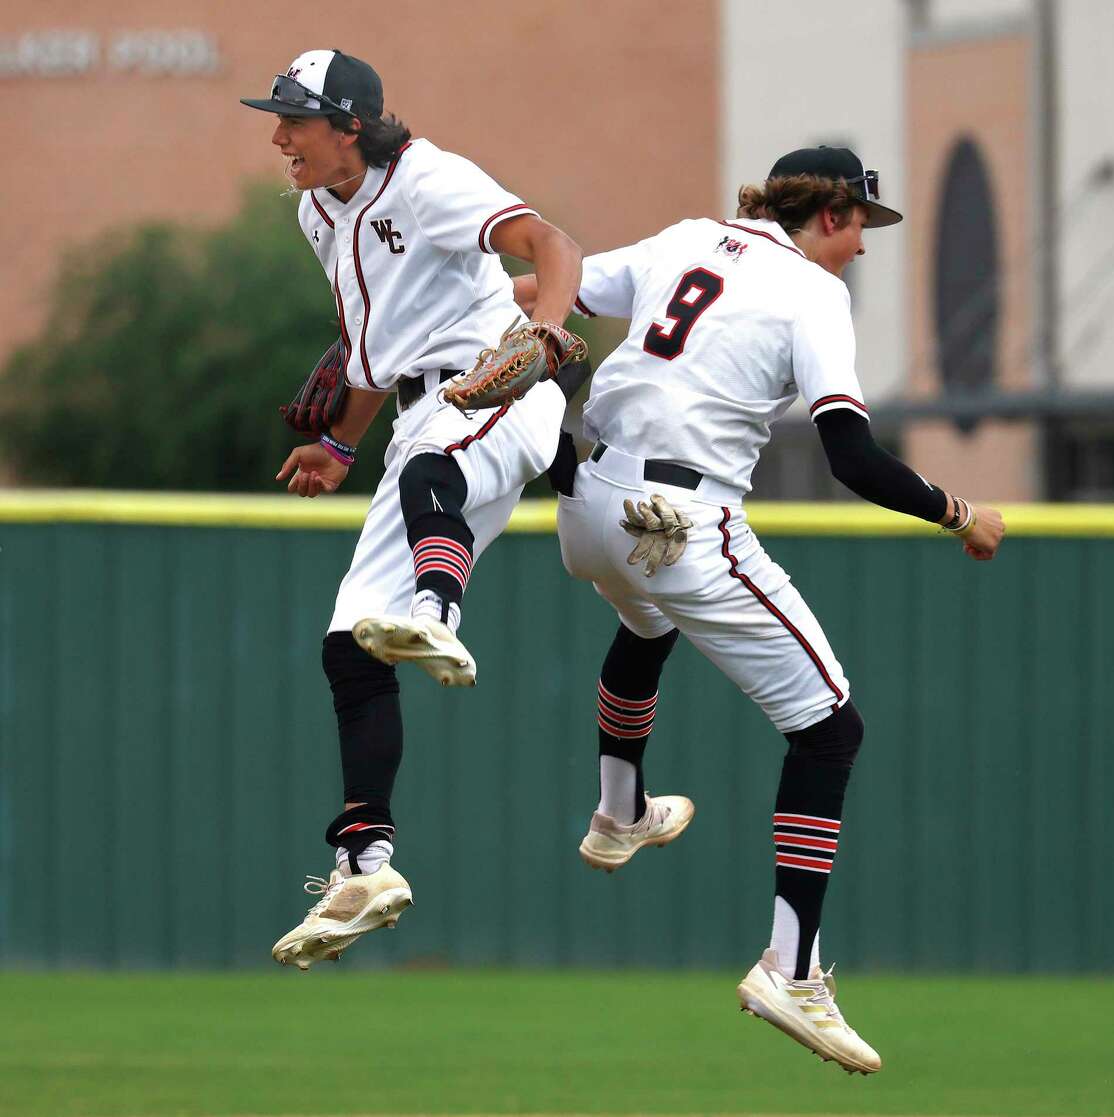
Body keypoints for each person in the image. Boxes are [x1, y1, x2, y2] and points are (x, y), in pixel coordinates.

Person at [514, 147, 1004, 1073]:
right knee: (830, 729)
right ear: (827, 215)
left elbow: (554, 285)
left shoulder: (693, 238)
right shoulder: (814, 294)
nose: (863, 247)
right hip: (681, 523)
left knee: (643, 624)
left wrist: (460, 304)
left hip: (581, 501)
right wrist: (959, 513)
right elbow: (852, 459)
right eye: (863, 225)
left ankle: (619, 811)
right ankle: (793, 966)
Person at [241, 49, 585, 970]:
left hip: (495, 384)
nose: (279, 137)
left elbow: (555, 246)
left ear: (350, 124)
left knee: (437, 459)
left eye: (296, 121)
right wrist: (342, 441)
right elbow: (370, 343)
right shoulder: (319, 210)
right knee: (349, 643)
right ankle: (366, 863)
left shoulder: (428, 179)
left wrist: (548, 327)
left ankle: (437, 612)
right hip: (415, 408)